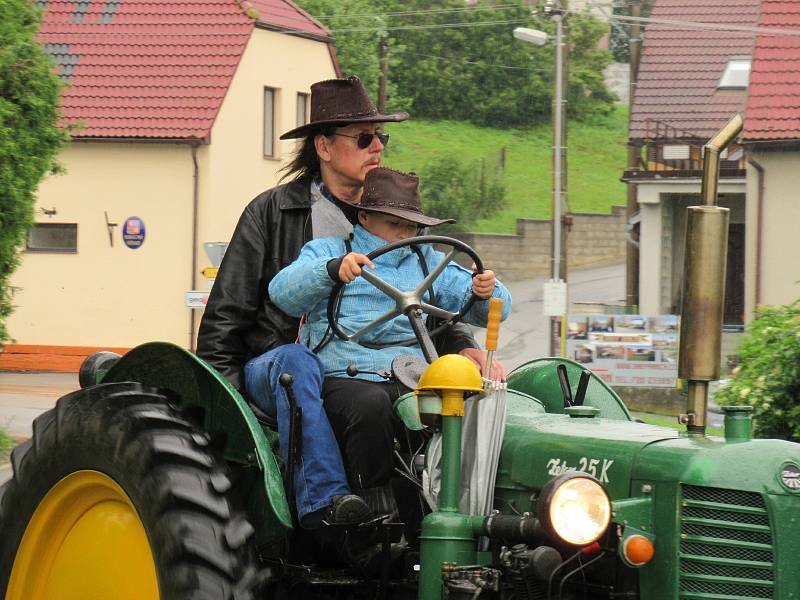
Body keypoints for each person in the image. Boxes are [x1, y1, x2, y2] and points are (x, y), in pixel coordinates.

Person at [196, 76, 505, 528]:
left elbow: (424, 294)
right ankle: (349, 517)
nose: (377, 146)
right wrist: (229, 413)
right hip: (286, 366)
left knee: (465, 396)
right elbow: (226, 317)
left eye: (382, 136)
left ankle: (451, 515)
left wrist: (462, 343)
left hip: (381, 366)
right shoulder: (271, 213)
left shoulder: (393, 214)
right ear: (323, 146)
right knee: (331, 382)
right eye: (364, 138)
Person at [269, 167, 512, 502]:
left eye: (410, 224)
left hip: (411, 375)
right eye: (395, 223)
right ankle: (372, 504)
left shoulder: (428, 261)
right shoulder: (330, 250)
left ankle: (453, 498)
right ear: (365, 216)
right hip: (344, 375)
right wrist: (331, 271)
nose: (404, 233)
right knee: (370, 404)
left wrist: (486, 289)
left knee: (466, 400)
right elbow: (283, 292)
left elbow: (486, 308)